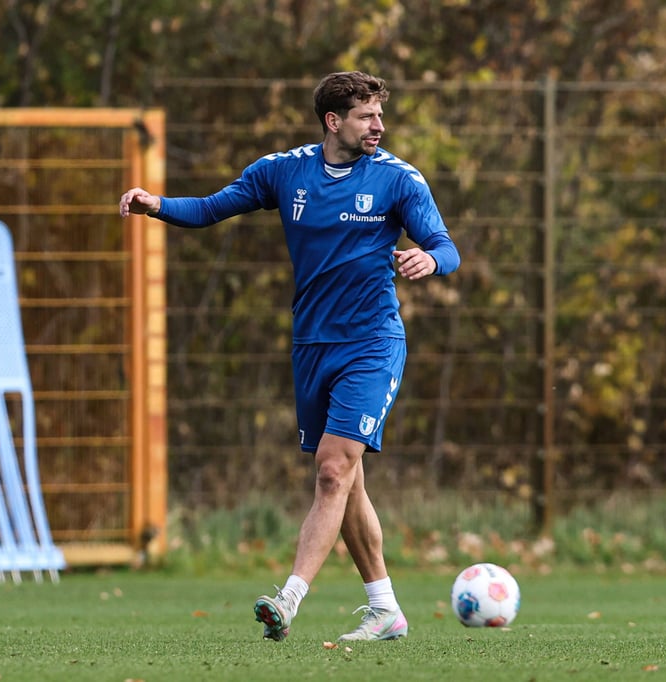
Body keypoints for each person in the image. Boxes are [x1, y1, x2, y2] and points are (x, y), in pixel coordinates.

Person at [119, 71, 460, 642]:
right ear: (334, 122)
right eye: (367, 116)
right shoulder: (284, 171)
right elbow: (209, 209)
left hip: (373, 343)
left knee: (332, 469)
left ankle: (289, 598)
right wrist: (156, 205)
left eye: (380, 115)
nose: (379, 125)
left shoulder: (399, 180)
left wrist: (431, 261)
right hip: (311, 346)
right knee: (344, 478)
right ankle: (386, 610)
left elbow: (446, 245)